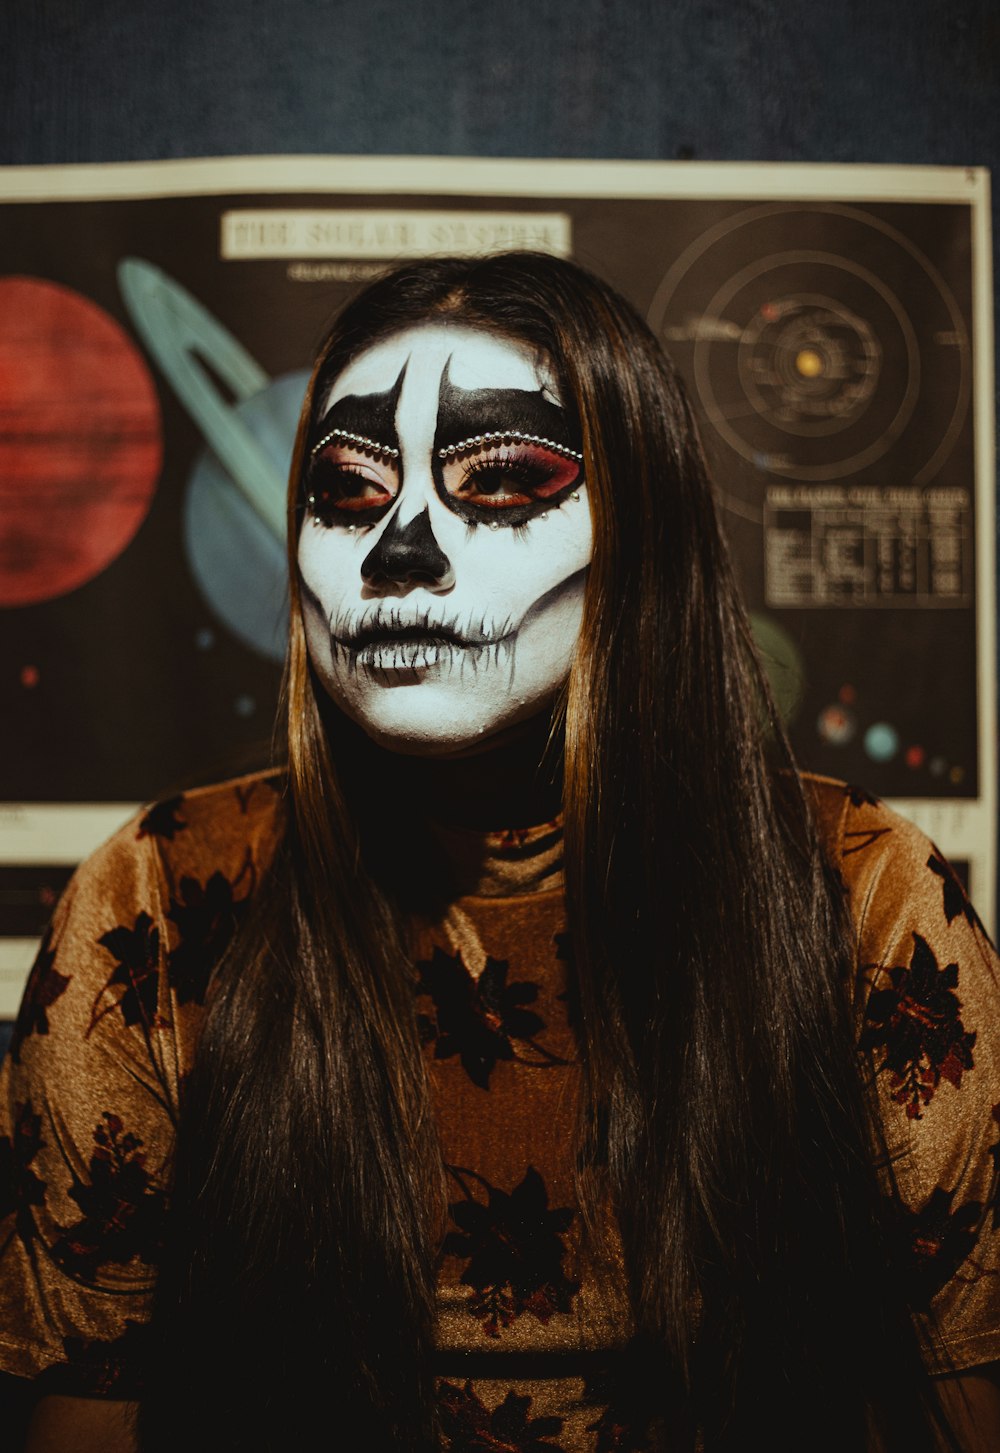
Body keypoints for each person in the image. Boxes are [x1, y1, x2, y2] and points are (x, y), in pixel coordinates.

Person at [1, 252, 999, 1452]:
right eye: (350, 490)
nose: (400, 550)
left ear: (646, 529)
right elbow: (91, 1398)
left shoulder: (860, 897)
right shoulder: (158, 902)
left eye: (504, 478)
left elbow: (958, 1387)